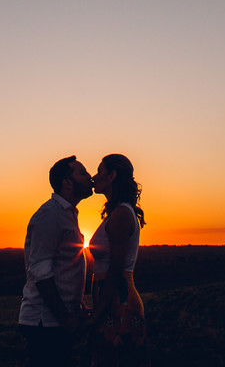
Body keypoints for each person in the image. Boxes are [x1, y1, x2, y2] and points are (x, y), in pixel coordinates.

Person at [19, 155, 94, 366]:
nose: (90, 177)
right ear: (67, 183)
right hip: (45, 323)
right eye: (83, 173)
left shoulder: (66, 214)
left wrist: (77, 306)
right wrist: (64, 317)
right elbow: (41, 271)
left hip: (56, 321)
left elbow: (63, 269)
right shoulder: (50, 215)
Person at [86, 154, 149, 366]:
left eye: (99, 170)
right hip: (112, 302)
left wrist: (97, 313)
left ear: (112, 175)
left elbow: (115, 271)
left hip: (119, 303)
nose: (94, 177)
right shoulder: (117, 213)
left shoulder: (122, 214)